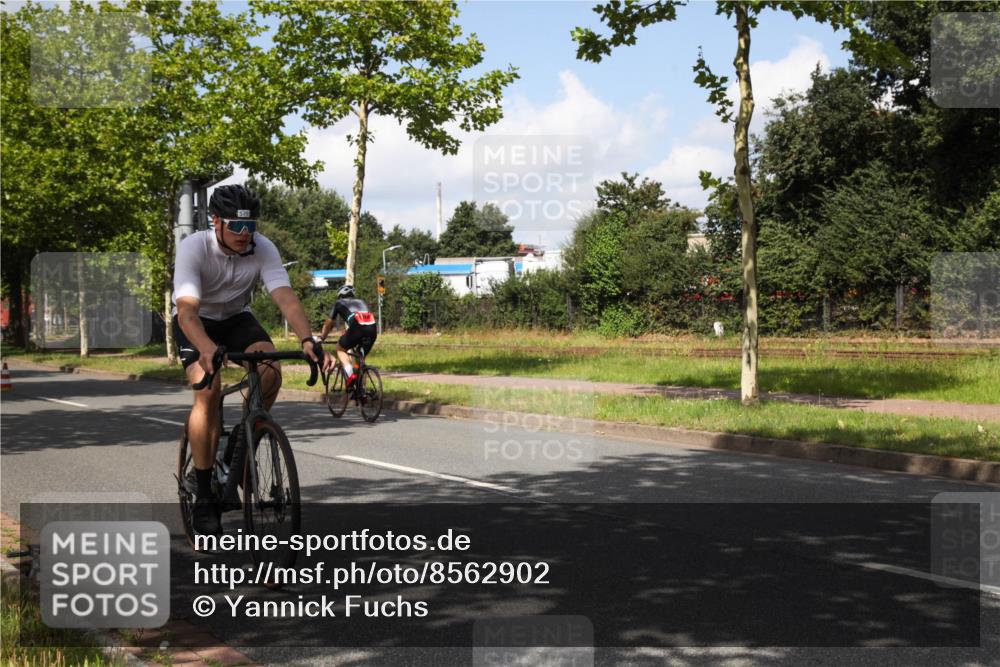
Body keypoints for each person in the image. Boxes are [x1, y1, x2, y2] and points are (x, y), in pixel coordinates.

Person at [173, 183, 333, 537]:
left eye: (251, 227)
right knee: (208, 389)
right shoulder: (193, 248)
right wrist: (205, 349)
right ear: (215, 222)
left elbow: (286, 297)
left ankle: (238, 447)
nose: (246, 235)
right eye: (237, 226)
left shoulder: (263, 249)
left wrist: (308, 339)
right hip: (197, 321)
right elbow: (186, 312)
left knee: (271, 372)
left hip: (236, 318)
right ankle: (203, 493)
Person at [318, 284, 377, 388]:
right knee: (361, 358)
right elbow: (360, 319)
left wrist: (322, 337)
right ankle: (362, 390)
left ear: (340, 295)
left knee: (340, 349)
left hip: (357, 328)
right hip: (372, 329)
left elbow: (328, 323)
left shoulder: (339, 303)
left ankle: (350, 376)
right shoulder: (361, 302)